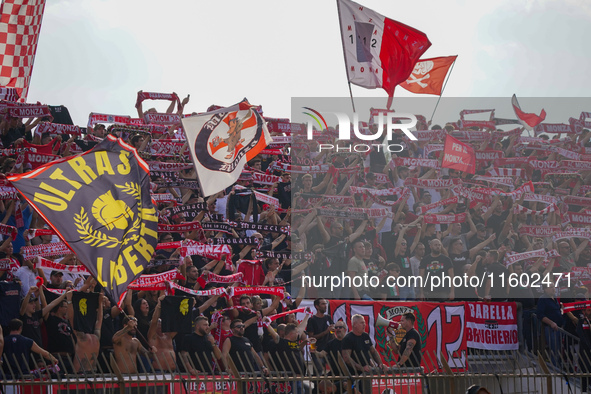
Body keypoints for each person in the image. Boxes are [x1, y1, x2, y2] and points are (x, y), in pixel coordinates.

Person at [342, 315, 388, 394]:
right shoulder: (348, 338)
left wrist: (380, 363)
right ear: (354, 324)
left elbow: (373, 351)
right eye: (362, 323)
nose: (364, 325)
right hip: (354, 376)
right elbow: (347, 358)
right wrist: (361, 368)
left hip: (366, 375)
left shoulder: (365, 336)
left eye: (364, 323)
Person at [72, 293, 104, 373]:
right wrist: (100, 303)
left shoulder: (93, 337)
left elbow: (99, 320)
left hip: (92, 371)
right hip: (80, 372)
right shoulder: (84, 337)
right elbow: (71, 319)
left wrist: (100, 303)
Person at [307, 298, 335, 372]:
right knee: (319, 372)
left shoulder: (328, 317)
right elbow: (311, 337)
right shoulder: (312, 319)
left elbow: (332, 331)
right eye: (323, 304)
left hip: (329, 349)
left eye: (326, 303)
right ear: (317, 306)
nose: (325, 306)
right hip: (318, 349)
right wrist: (325, 332)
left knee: (333, 370)